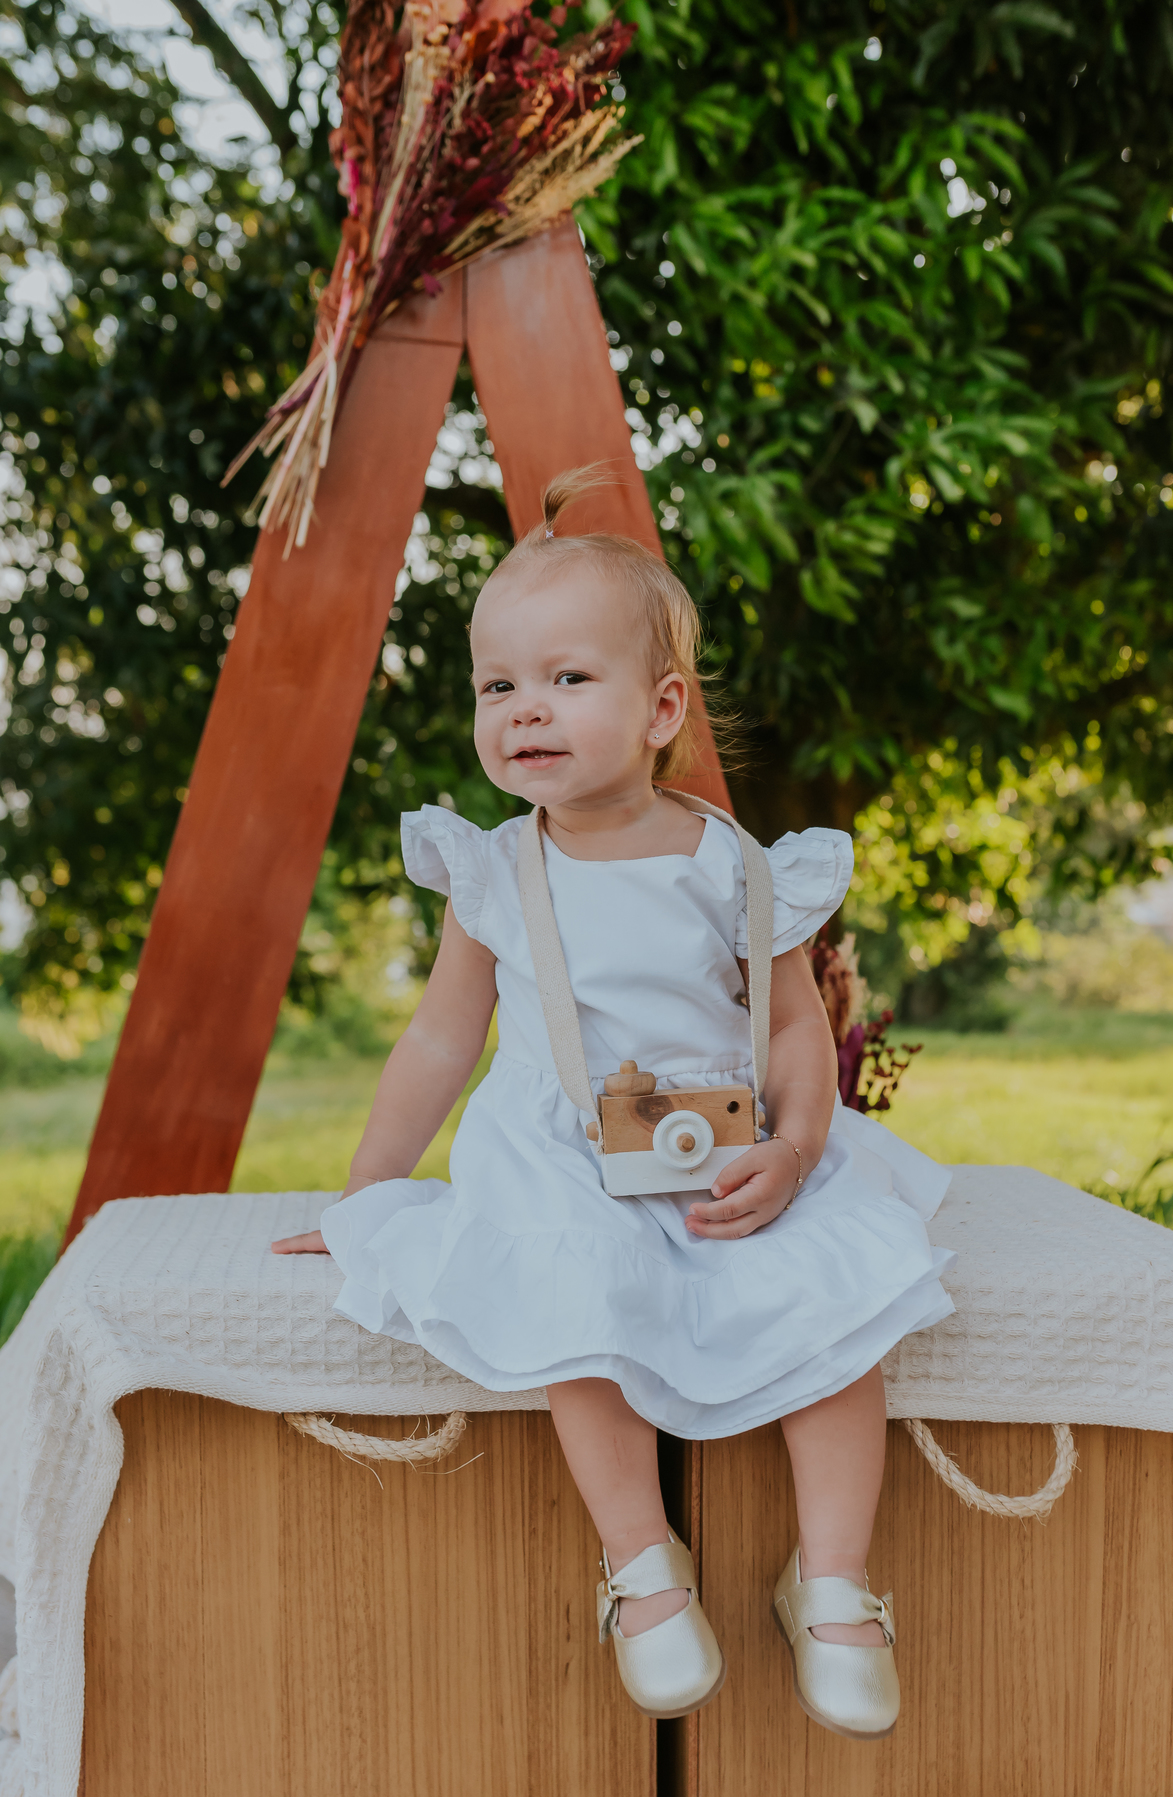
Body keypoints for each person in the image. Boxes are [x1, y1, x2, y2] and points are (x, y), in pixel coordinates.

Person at [273, 468, 954, 1737]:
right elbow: (439, 1040)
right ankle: (644, 1564)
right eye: (497, 685)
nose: (525, 709)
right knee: (571, 1311)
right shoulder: (491, 871)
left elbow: (797, 1028)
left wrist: (800, 1148)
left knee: (839, 1303)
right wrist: (368, 1190)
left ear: (661, 710)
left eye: (567, 679)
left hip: (724, 1143)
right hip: (561, 1153)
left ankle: (838, 1578)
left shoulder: (736, 869)